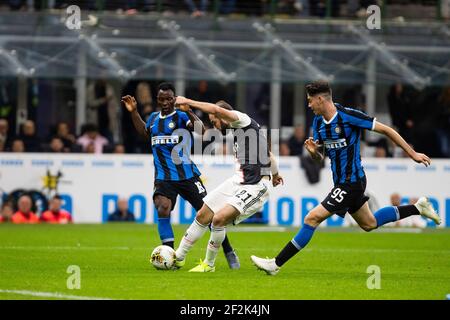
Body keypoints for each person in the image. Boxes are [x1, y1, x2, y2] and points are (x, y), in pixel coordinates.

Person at [250, 80, 441, 275]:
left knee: (312, 218)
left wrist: (413, 154)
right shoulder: (318, 122)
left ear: (320, 99)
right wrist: (314, 152)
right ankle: (418, 207)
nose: (308, 105)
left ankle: (276, 264)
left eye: (310, 101)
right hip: (342, 182)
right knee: (369, 223)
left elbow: (387, 130)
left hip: (352, 182)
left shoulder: (349, 116)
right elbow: (320, 157)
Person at [121, 82, 240, 269]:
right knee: (162, 208)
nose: (166, 102)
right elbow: (145, 134)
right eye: (162, 99)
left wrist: (190, 110)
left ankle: (228, 251)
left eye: (169, 98)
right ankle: (169, 255)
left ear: (174, 98)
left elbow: (201, 130)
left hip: (187, 175)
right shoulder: (153, 119)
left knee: (209, 215)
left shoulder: (181, 116)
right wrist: (133, 111)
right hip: (163, 177)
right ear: (157, 100)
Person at [172, 96, 284, 272]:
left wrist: (190, 102)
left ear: (223, 116)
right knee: (203, 214)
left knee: (218, 219)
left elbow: (216, 110)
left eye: (214, 121)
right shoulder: (242, 131)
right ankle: (178, 257)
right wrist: (276, 173)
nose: (214, 125)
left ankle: (208, 265)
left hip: (256, 186)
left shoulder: (242, 119)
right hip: (238, 181)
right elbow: (268, 154)